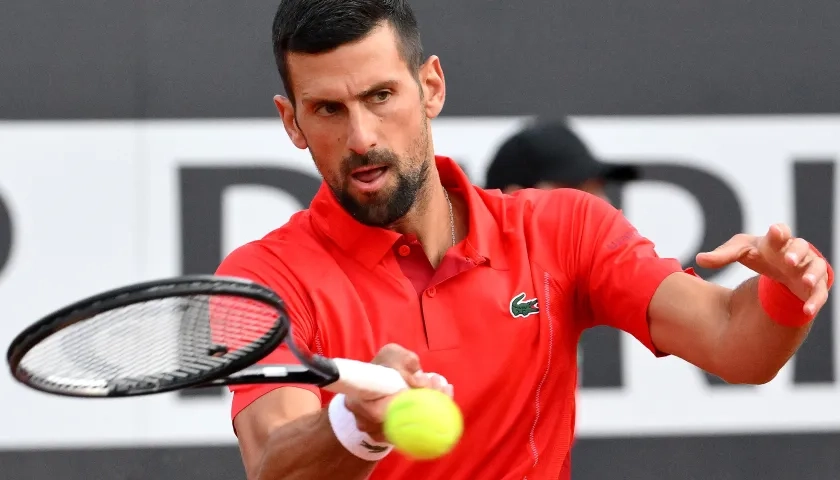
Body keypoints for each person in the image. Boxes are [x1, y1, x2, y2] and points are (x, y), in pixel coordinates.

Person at [215, 1, 834, 479]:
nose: (360, 137)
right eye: (327, 109)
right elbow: (274, 460)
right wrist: (359, 422)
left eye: (381, 96)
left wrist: (785, 293)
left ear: (430, 88)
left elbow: (735, 342)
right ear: (291, 121)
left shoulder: (563, 229)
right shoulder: (261, 277)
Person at [485, 119, 638, 201]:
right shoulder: (470, 258)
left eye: (598, 189)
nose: (604, 203)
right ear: (514, 196)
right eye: (578, 191)